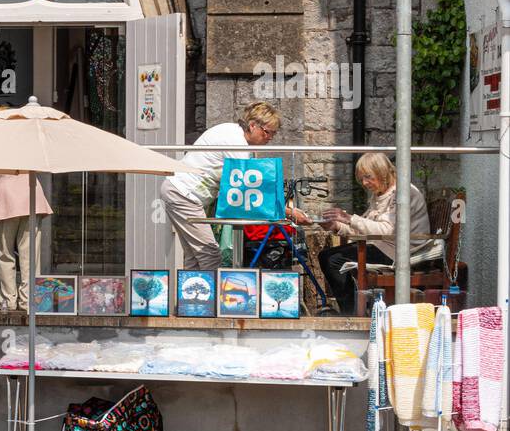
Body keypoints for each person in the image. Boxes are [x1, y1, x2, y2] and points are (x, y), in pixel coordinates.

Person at [295, 153, 430, 314]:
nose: (365, 183)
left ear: (382, 172)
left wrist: (349, 218)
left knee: (332, 260)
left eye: (368, 177)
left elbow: (386, 230)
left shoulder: (402, 193)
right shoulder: (382, 193)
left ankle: (351, 313)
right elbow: (365, 227)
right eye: (362, 178)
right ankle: (353, 311)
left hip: (401, 252)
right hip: (385, 246)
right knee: (328, 256)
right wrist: (336, 226)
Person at [160, 102, 282, 270]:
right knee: (210, 254)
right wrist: (286, 210)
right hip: (184, 193)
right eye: (268, 132)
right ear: (253, 125)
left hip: (181, 191)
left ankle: (191, 295)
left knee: (195, 255)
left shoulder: (232, 132)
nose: (269, 138)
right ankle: (213, 295)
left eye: (273, 134)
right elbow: (247, 187)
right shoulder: (236, 143)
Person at [0, 172, 51, 311]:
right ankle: (28, 300)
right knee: (30, 255)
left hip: (7, 196)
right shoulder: (30, 149)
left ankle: (8, 300)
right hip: (31, 192)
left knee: (6, 254)